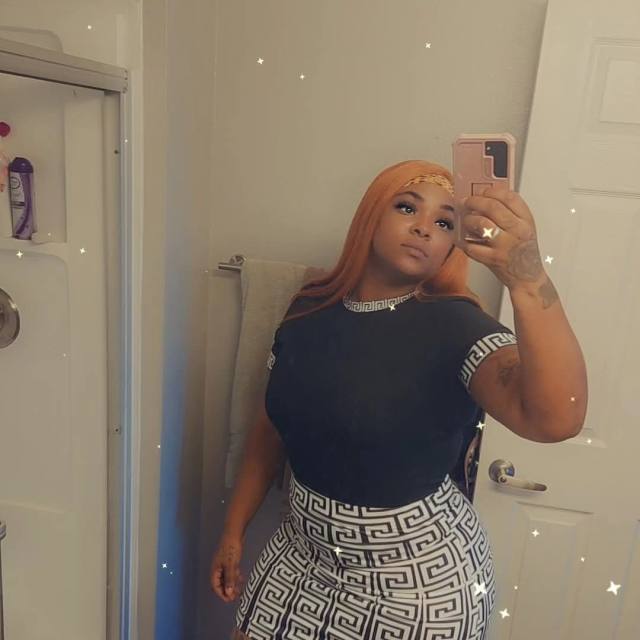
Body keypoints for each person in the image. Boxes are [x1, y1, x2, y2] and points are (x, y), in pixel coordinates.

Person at [211, 159, 521, 639]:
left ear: (451, 246)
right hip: (300, 552)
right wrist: (234, 531)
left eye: (445, 223)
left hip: (418, 583)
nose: (423, 228)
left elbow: (554, 418)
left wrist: (526, 277)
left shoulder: (460, 327)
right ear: (371, 215)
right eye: (407, 207)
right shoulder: (307, 308)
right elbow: (269, 429)